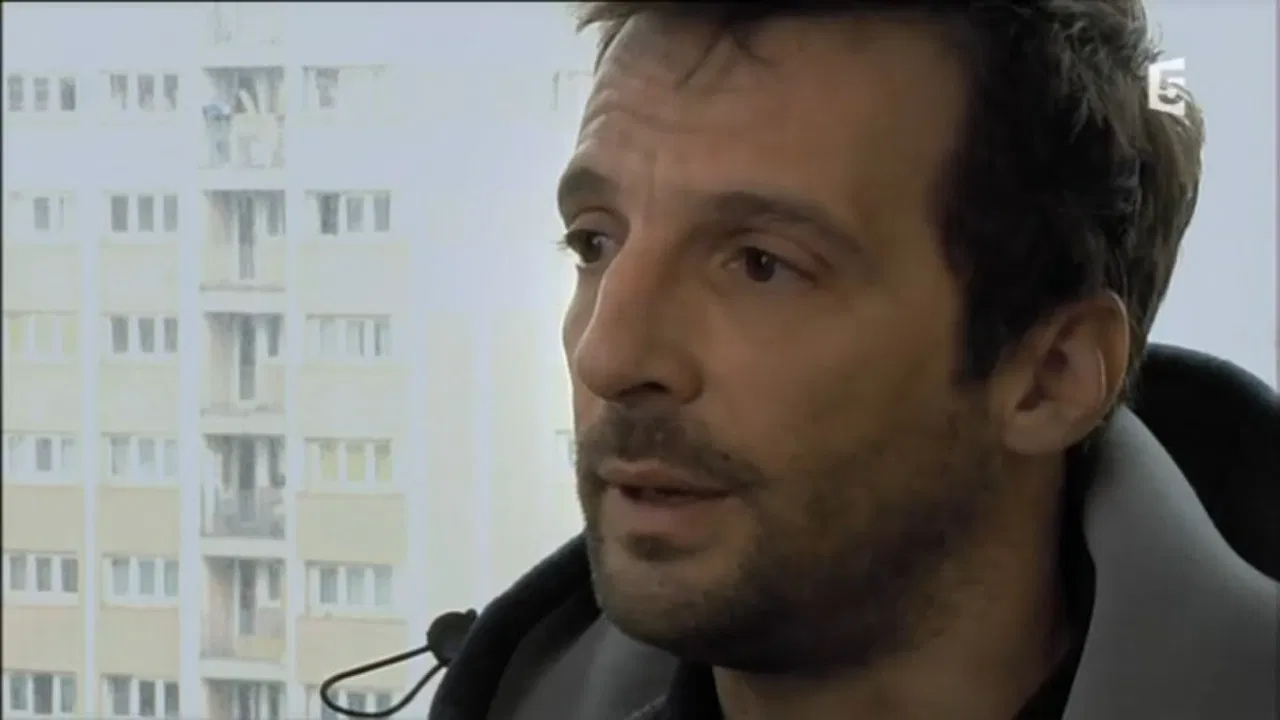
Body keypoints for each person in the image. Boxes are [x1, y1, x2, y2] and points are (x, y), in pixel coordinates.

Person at [422, 3, 1279, 719]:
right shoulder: (519, 693)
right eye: (594, 242)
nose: (608, 355)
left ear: (1050, 377)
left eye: (762, 264)